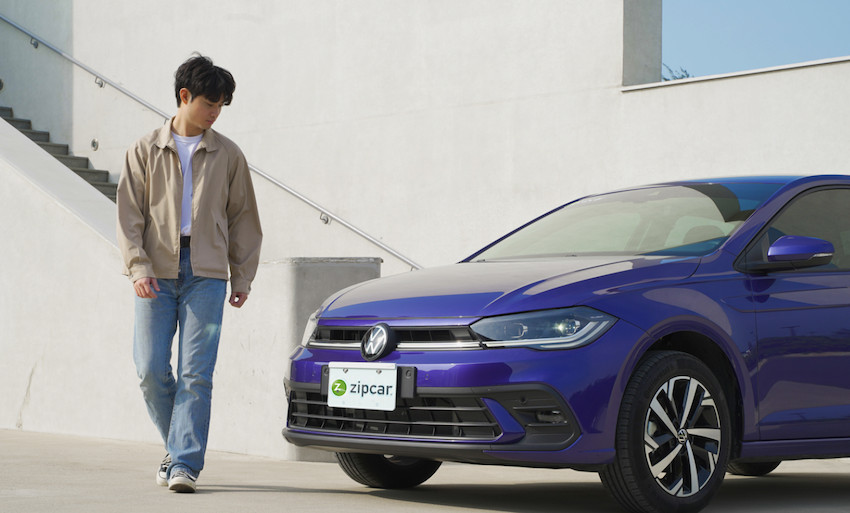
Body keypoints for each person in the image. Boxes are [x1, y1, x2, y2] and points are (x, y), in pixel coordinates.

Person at [116, 54, 262, 493]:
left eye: (221, 105)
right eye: (209, 103)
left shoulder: (228, 154)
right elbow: (128, 217)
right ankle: (177, 447)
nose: (215, 112)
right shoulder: (144, 150)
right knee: (149, 370)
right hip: (155, 272)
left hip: (208, 276)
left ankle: (184, 464)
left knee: (197, 374)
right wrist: (137, 266)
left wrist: (242, 276)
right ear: (185, 96)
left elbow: (244, 218)